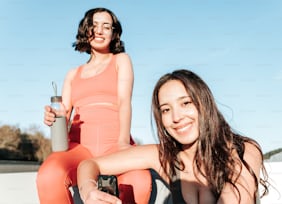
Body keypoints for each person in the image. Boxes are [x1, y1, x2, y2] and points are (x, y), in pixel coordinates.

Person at [77, 69, 269, 204]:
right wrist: (89, 191)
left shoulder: (244, 149)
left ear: (205, 104)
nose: (177, 117)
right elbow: (90, 164)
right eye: (166, 110)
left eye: (186, 103)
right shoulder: (164, 157)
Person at [36, 8, 151, 204]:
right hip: (79, 148)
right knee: (48, 175)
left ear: (114, 33)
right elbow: (64, 117)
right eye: (94, 26)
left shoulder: (121, 60)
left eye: (106, 26)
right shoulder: (73, 73)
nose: (99, 31)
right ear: (85, 31)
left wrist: (123, 143)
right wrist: (55, 119)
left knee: (139, 181)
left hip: (115, 142)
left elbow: (124, 102)